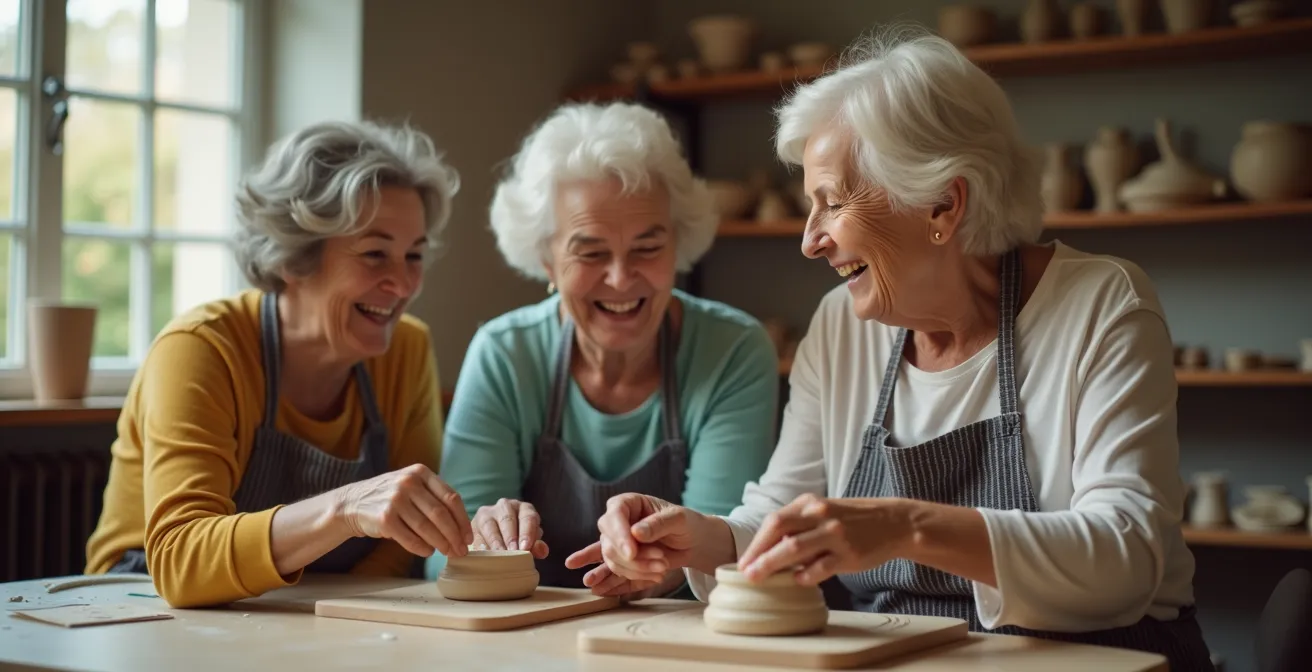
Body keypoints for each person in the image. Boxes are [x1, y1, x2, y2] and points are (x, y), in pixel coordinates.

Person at [568, 29, 1215, 669]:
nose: (810, 240)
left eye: (832, 204)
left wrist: (904, 526)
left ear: (942, 204)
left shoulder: (1102, 303)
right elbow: (780, 511)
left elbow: (1126, 556)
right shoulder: (841, 325)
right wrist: (694, 538)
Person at [84, 120, 475, 608]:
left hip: (299, 614)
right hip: (136, 604)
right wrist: (345, 508)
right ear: (293, 258)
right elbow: (179, 560)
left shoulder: (408, 349)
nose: (402, 284)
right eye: (375, 254)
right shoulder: (202, 348)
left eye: (414, 255)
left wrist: (344, 622)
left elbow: (404, 539)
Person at [429, 101, 780, 593]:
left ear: (679, 245)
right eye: (590, 252)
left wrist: (649, 569)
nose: (620, 278)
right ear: (546, 262)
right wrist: (480, 535)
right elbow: (441, 555)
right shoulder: (504, 353)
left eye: (647, 248)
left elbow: (725, 547)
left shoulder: (733, 350)